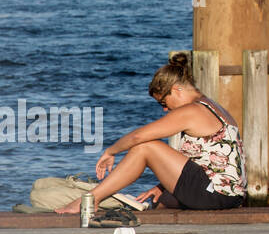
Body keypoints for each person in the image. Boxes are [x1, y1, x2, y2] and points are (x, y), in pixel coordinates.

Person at [54, 54, 246, 214]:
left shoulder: (192, 111)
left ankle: (90, 200)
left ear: (176, 90)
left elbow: (138, 137)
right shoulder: (214, 107)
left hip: (215, 195)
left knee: (146, 147)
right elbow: (206, 161)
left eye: (163, 103)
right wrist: (162, 185)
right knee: (158, 200)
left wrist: (111, 152)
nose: (164, 110)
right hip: (227, 195)